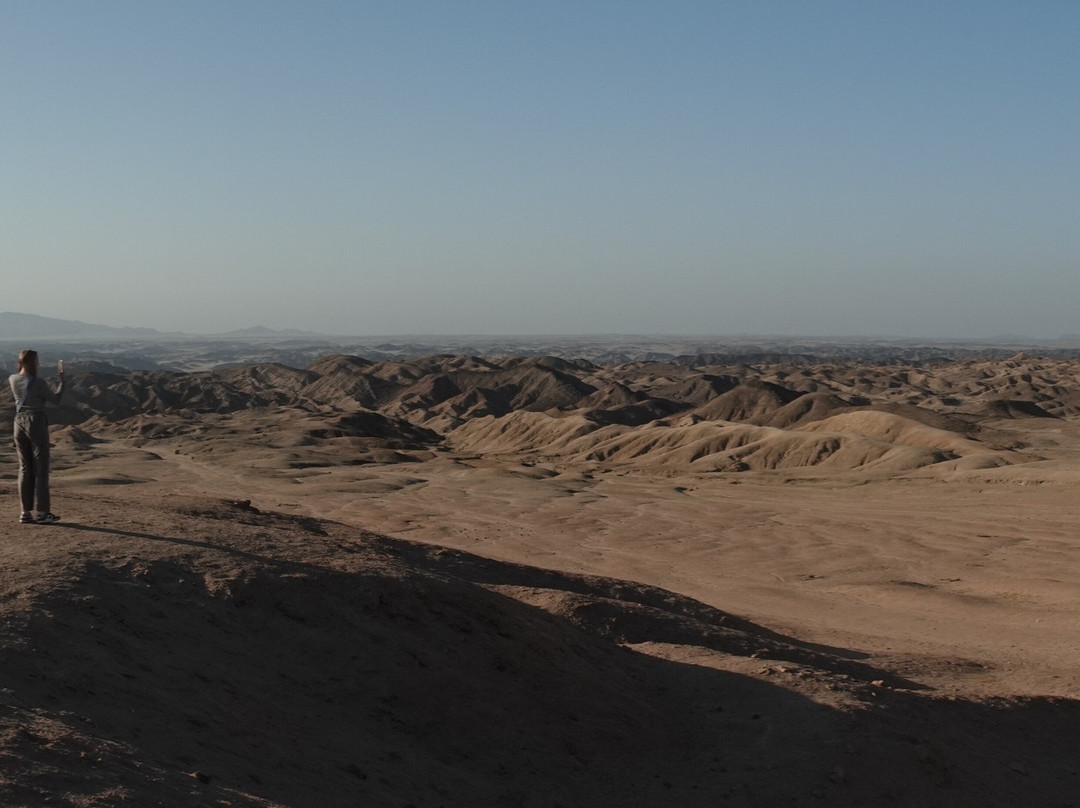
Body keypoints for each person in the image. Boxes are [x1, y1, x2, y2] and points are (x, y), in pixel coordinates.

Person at [9, 350, 65, 524]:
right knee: (41, 468)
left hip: (18, 422)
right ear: (33, 363)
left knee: (25, 467)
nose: (39, 365)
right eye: (37, 362)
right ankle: (42, 512)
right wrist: (62, 382)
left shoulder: (13, 379)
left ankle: (25, 512)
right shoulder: (38, 382)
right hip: (35, 421)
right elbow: (56, 400)